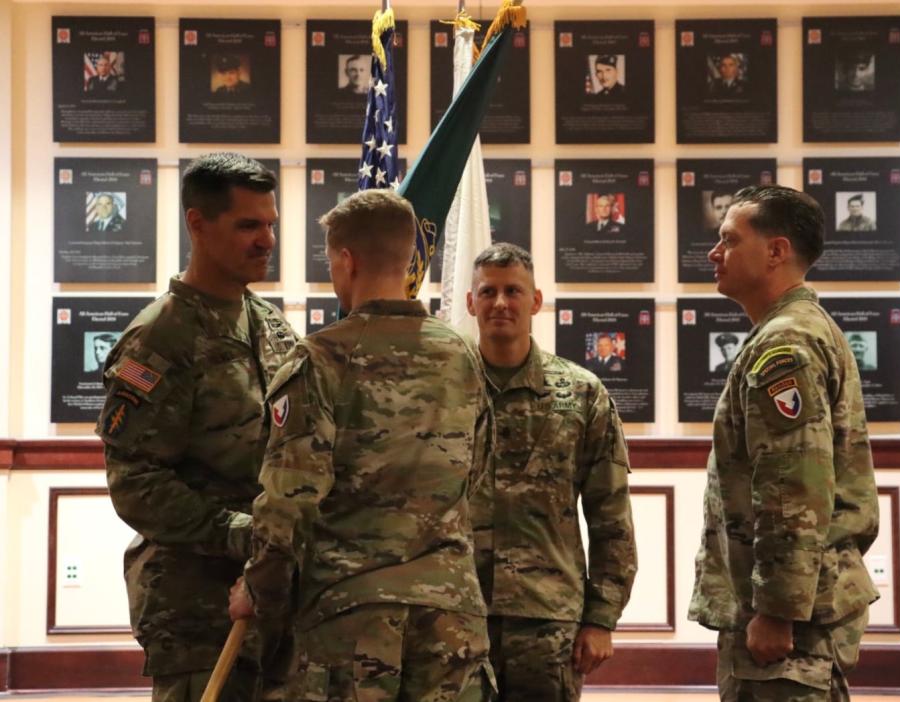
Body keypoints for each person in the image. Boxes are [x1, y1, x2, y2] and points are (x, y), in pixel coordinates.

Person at [229, 188, 496, 701]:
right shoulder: (463, 356)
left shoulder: (320, 360)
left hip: (351, 621)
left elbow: (289, 502)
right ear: (409, 257)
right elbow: (477, 477)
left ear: (345, 259)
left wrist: (258, 593)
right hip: (452, 620)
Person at [96, 152, 296, 701]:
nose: (267, 241)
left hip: (270, 598)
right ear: (198, 223)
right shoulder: (160, 338)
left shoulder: (272, 326)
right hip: (196, 611)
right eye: (248, 225)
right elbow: (135, 482)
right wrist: (238, 531)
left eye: (270, 224)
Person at [690, 185, 879, 701]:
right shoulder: (793, 330)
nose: (714, 253)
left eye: (729, 239)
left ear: (776, 251)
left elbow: (792, 489)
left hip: (788, 624)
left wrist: (776, 610)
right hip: (797, 610)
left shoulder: (785, 343)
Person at [466, 242, 637, 701]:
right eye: (488, 292)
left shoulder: (582, 394)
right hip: (454, 615)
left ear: (536, 301)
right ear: (470, 302)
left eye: (513, 291)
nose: (500, 303)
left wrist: (601, 619)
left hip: (545, 619)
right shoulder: (443, 390)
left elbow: (612, 519)